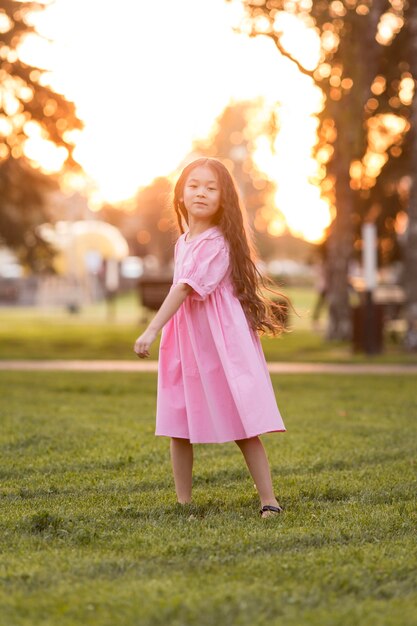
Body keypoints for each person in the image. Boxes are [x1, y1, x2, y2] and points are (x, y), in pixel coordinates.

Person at [134, 158, 287, 518]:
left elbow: (186, 287)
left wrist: (152, 328)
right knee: (178, 419)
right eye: (193, 185)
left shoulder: (217, 242)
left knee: (242, 421)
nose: (201, 192)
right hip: (188, 341)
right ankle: (183, 502)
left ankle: (270, 501)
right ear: (181, 194)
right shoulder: (185, 240)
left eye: (211, 187)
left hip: (221, 342)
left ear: (223, 199)